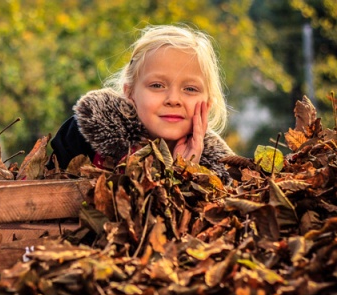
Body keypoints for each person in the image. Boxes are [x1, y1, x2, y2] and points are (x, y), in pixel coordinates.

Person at [47, 24, 235, 183]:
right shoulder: (85, 134)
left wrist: (184, 171)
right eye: (157, 85)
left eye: (190, 89)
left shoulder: (225, 174)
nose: (173, 99)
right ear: (130, 93)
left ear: (207, 104)